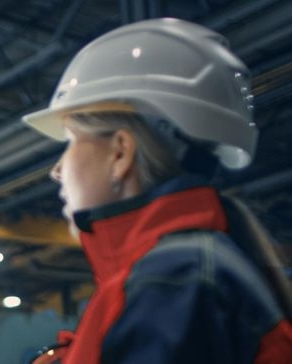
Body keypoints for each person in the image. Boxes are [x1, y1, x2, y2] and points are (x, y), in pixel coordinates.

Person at [20, 18, 292, 363]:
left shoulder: (174, 278)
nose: (57, 171)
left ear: (120, 152)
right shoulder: (180, 271)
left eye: (72, 140)